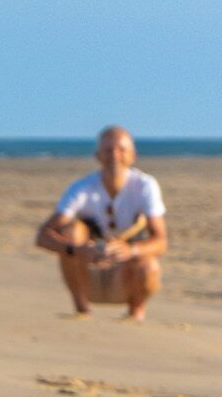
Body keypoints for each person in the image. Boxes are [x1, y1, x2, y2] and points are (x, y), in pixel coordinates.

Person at [34, 126, 169, 321]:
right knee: (71, 231)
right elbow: (42, 236)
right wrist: (78, 249)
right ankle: (81, 309)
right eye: (108, 150)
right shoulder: (82, 189)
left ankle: (136, 313)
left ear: (133, 156)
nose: (115, 155)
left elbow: (161, 242)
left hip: (126, 274)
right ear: (98, 155)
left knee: (151, 266)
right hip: (90, 271)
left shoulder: (144, 186)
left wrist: (130, 250)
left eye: (121, 150)